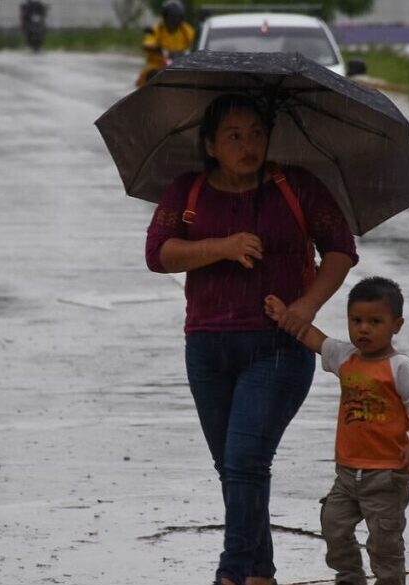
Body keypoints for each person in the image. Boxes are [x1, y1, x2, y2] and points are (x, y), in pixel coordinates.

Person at [145, 93, 358, 585]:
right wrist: (222, 247)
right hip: (206, 349)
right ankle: (260, 575)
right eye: (234, 136)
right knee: (236, 468)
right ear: (210, 145)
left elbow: (341, 250)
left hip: (277, 350)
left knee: (244, 461)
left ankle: (231, 573)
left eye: (257, 134)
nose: (248, 145)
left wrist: (306, 307)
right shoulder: (188, 191)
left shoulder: (294, 186)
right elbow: (159, 254)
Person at [264, 276, 409, 585]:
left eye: (375, 322)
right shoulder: (345, 356)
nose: (364, 329)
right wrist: (284, 315)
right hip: (346, 473)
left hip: (387, 474)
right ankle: (350, 577)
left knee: (384, 541)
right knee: (333, 525)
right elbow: (310, 336)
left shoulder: (401, 367)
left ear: (396, 325)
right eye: (356, 321)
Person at [136, 0, 195, 87]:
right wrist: (157, 48)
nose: (173, 22)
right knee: (151, 75)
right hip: (158, 66)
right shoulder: (157, 29)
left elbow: (194, 45)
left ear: (181, 19)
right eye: (171, 18)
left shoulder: (187, 31)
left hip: (181, 65)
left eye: (176, 18)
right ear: (165, 18)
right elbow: (148, 43)